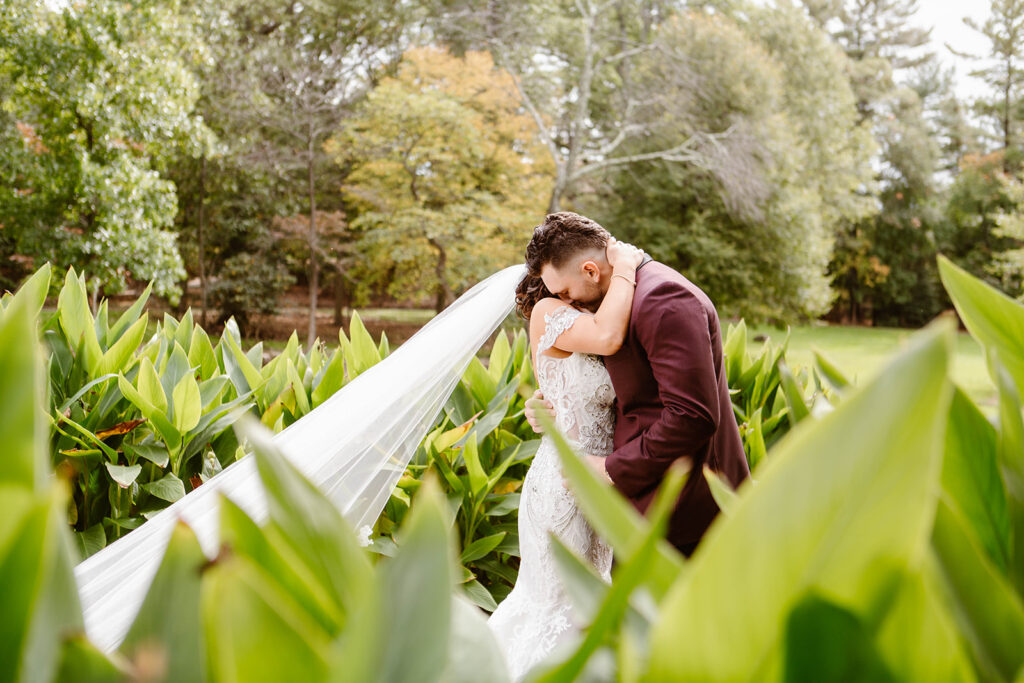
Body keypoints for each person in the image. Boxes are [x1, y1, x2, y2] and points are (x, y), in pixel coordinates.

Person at [523, 211, 749, 557]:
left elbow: (692, 415)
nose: (565, 303)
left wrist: (610, 468)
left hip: (684, 509)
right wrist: (556, 401)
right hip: (638, 502)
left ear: (590, 270)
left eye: (566, 292)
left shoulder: (663, 298)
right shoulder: (619, 300)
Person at [486, 218, 644, 682]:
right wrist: (629, 267)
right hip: (562, 484)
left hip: (595, 478)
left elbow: (571, 390)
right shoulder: (548, 313)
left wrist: (546, 409)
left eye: (561, 286)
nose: (563, 296)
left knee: (588, 600)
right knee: (561, 606)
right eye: (549, 287)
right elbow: (608, 339)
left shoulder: (584, 313)